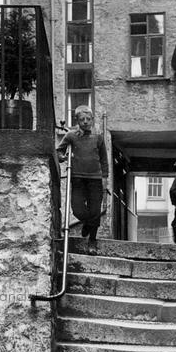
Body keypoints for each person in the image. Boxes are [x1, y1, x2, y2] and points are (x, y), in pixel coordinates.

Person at [57, 106, 108, 247]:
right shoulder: (71, 136)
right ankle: (87, 222)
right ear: (77, 121)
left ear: (92, 120)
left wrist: (105, 179)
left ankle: (92, 240)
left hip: (95, 179)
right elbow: (58, 152)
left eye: (88, 119)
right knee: (77, 209)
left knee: (95, 210)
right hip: (77, 177)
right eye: (82, 119)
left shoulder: (98, 138)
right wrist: (63, 157)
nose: (85, 122)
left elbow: (104, 160)